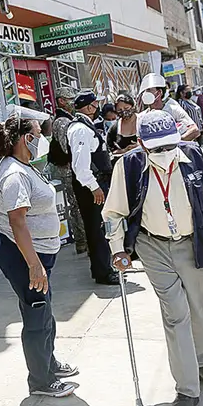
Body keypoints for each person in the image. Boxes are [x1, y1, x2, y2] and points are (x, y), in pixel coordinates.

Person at [104, 111, 203, 406]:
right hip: (152, 245)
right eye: (157, 149)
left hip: (194, 241)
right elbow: (113, 213)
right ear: (141, 143)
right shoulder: (127, 166)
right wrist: (118, 249)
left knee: (202, 308)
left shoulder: (195, 157)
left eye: (171, 145)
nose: (166, 154)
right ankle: (186, 388)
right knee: (176, 314)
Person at [0, 114, 80, 398]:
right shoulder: (15, 174)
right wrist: (34, 265)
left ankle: (48, 363)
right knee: (37, 315)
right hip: (24, 255)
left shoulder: (24, 166)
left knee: (44, 312)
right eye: (39, 132)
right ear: (26, 138)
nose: (44, 137)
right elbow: (17, 223)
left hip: (37, 253)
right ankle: (40, 381)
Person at [68, 91, 119, 285]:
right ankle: (103, 272)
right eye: (95, 104)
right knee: (97, 228)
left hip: (94, 184)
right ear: (89, 107)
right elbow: (80, 167)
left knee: (99, 227)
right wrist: (95, 187)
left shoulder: (85, 126)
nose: (97, 108)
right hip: (91, 186)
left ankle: (103, 268)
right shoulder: (80, 129)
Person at [49, 87, 86, 254]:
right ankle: (82, 240)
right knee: (77, 205)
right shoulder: (62, 121)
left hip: (73, 169)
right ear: (61, 101)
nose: (73, 102)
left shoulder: (70, 118)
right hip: (69, 171)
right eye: (69, 99)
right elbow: (67, 148)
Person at [138, 73, 201, 141]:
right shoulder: (143, 117)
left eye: (149, 90)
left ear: (159, 92)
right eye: (144, 91)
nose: (145, 93)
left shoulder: (173, 109)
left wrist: (176, 142)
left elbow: (194, 131)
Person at [108, 93, 140, 159]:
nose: (124, 111)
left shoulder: (143, 121)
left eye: (126, 108)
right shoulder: (114, 128)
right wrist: (125, 150)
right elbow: (110, 151)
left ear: (133, 106)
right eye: (120, 110)